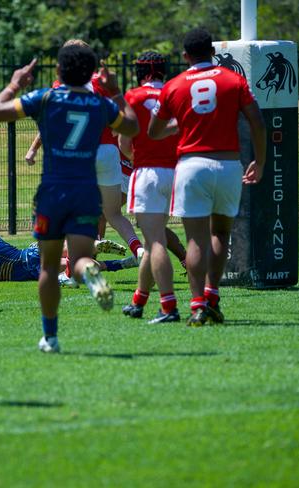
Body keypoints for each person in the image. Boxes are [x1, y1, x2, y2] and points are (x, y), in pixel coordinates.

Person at [0, 43, 139, 353]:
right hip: (86, 192)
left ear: (58, 71)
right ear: (90, 74)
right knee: (82, 259)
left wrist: (16, 83)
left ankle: (51, 337)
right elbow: (133, 126)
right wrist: (116, 92)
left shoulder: (44, 97)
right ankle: (92, 273)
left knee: (48, 267)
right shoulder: (100, 104)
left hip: (53, 192)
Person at [148, 28, 266, 326]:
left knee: (195, 239)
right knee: (221, 234)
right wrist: (260, 162)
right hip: (228, 165)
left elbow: (153, 131)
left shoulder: (174, 85)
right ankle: (212, 296)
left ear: (185, 55)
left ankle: (198, 303)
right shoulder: (234, 79)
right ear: (213, 52)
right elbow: (257, 121)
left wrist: (178, 125)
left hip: (192, 165)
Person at [25, 40, 144, 263]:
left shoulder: (60, 85)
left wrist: (33, 150)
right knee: (114, 214)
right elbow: (123, 119)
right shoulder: (103, 81)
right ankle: (138, 250)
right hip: (109, 151)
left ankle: (75, 268)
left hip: (80, 154)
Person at [119, 51, 183, 323]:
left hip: (147, 173)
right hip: (177, 172)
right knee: (152, 239)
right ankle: (138, 300)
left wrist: (141, 158)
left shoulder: (133, 96)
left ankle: (169, 306)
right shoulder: (176, 92)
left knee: (155, 242)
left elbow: (124, 145)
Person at [0, 211, 137, 282]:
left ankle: (99, 250)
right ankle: (120, 261)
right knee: (76, 264)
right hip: (30, 265)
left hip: (26, 261)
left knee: (68, 259)